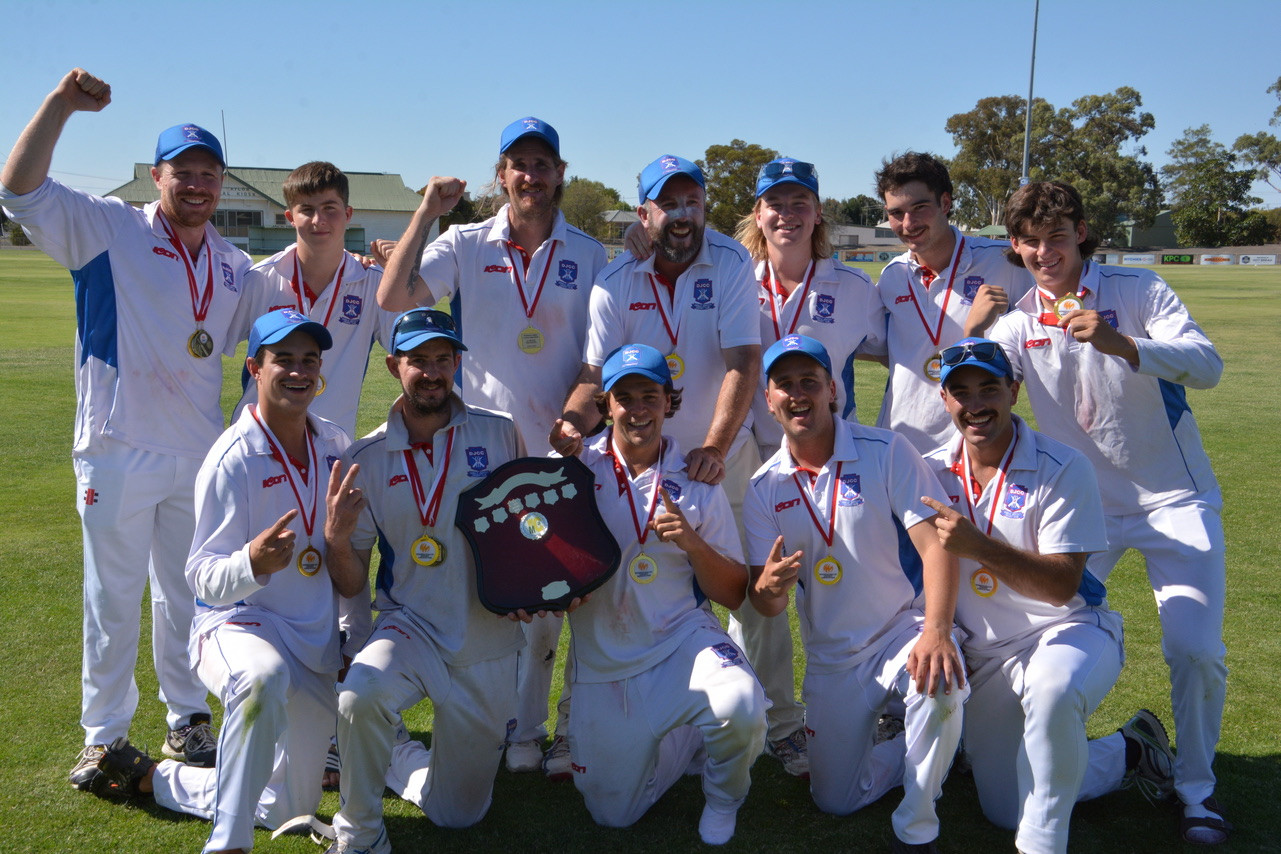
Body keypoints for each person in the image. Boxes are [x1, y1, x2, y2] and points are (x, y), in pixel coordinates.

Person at [0, 68, 254, 786]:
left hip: (198, 455)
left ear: (221, 184)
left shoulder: (233, 264)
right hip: (116, 451)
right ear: (156, 175)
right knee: (111, 601)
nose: (198, 185)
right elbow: (17, 190)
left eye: (210, 173)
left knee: (188, 596)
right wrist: (58, 105)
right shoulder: (107, 227)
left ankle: (187, 719)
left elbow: (277, 318)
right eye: (184, 172)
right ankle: (104, 735)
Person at [988, 181, 1231, 845]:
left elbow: (1207, 366)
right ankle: (1101, 754)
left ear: (1080, 233)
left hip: (1172, 501)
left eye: (1057, 236)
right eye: (1031, 239)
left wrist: (1123, 345)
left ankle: (1195, 790)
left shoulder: (1135, 290)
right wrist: (968, 331)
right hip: (1081, 515)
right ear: (1015, 245)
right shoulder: (1014, 324)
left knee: (1194, 651)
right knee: (1032, 642)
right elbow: (976, 387)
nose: (1045, 251)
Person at [377, 118, 606, 776]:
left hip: (557, 458)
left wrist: (572, 421)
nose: (530, 176)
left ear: (559, 173)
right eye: (518, 164)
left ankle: (536, 733)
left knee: (552, 606)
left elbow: (596, 364)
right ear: (500, 174)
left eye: (542, 164)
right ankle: (491, 723)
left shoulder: (588, 254)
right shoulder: (465, 241)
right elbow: (395, 296)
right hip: (475, 458)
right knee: (478, 598)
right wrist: (426, 209)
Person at [92, 309, 366, 854]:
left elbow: (347, 573)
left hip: (310, 640)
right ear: (253, 369)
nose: (298, 371)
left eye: (308, 360)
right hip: (235, 626)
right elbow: (200, 579)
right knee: (260, 678)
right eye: (282, 360)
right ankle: (229, 842)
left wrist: (338, 552)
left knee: (291, 806)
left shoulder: (335, 445)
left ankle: (154, 777)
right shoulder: (230, 457)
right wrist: (252, 563)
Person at [922, 336, 1175, 854]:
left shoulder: (1063, 466)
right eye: (961, 391)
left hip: (1069, 629)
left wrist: (978, 545)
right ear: (944, 399)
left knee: (1053, 692)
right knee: (1004, 809)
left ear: (1013, 390)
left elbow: (1061, 587)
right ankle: (1129, 750)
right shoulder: (926, 469)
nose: (975, 405)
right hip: (988, 654)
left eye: (988, 388)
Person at [743, 334, 967, 854]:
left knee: (940, 685)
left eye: (810, 383)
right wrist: (769, 588)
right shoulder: (763, 487)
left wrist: (937, 631)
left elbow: (935, 548)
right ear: (769, 399)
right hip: (832, 659)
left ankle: (917, 824)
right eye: (785, 385)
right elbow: (766, 602)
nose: (798, 395)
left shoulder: (885, 449)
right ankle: (916, 748)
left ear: (833, 391)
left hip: (898, 631)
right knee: (837, 801)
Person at [324, 308, 528, 852]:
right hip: (410, 626)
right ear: (394, 366)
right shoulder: (364, 457)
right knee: (359, 696)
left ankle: (400, 756)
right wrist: (338, 542)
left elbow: (529, 530)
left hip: (486, 638)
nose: (432, 372)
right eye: (419, 360)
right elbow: (350, 583)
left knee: (458, 817)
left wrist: (532, 590)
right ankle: (360, 832)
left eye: (443, 359)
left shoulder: (500, 433)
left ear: (457, 362)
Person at [556, 343, 766, 846]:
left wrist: (691, 542)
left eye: (650, 395)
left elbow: (735, 594)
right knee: (612, 815)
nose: (638, 410)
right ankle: (684, 732)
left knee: (741, 704)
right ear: (606, 404)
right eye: (623, 397)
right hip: (606, 659)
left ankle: (722, 798)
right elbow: (538, 566)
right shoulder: (570, 471)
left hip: (681, 644)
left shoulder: (698, 481)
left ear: (669, 402)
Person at [725, 156, 887, 776]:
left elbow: (899, 349)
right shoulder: (735, 278)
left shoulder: (852, 287)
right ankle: (780, 722)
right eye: (776, 203)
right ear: (758, 214)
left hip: (821, 458)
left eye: (800, 204)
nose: (787, 215)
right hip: (747, 459)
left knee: (835, 583)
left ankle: (856, 703)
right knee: (759, 596)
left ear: (818, 213)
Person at [872, 151, 1033, 453]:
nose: (908, 223)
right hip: (900, 445)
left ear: (945, 203)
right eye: (896, 212)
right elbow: (882, 347)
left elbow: (1040, 339)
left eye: (920, 208)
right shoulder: (893, 275)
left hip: (972, 443)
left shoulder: (1003, 263)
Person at [233, 161, 396, 440]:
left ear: (347, 214)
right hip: (256, 442)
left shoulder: (373, 283)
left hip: (331, 446)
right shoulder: (259, 280)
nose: (318, 220)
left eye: (329, 209)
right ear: (289, 216)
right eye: (306, 210)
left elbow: (414, 351)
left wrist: (401, 273)